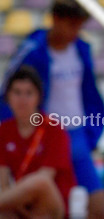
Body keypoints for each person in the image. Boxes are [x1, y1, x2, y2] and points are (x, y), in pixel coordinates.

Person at [0, 0, 104, 219]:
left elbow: (90, 94)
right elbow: (11, 89)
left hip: (76, 134)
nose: (75, 32)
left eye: (79, 26)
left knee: (98, 205)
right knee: (39, 198)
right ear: (56, 19)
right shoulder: (33, 50)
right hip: (43, 134)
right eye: (71, 25)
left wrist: (92, 134)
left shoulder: (81, 49)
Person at [0, 66, 75, 219]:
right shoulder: (4, 131)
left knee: (40, 182)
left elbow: (45, 180)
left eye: (29, 93)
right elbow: (3, 180)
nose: (23, 99)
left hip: (51, 204)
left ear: (38, 97)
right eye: (17, 92)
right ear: (8, 97)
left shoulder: (54, 129)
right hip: (18, 203)